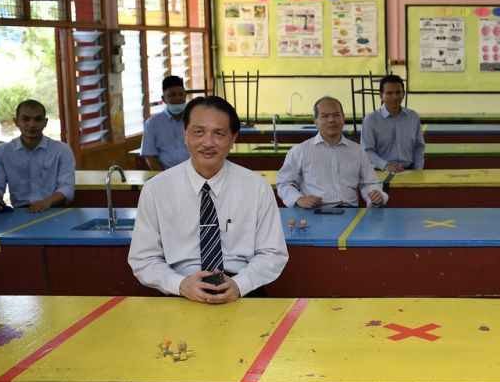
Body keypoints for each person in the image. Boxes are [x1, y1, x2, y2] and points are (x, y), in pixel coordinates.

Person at [128, 96, 288, 303]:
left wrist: (240, 284)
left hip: (243, 290)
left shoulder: (257, 187)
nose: (208, 142)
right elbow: (143, 259)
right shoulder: (156, 190)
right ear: (185, 135)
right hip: (179, 290)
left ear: (233, 139)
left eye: (219, 134)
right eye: (199, 132)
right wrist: (180, 284)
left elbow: (273, 253)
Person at [277, 96, 388, 208]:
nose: (331, 120)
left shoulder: (357, 150)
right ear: (315, 121)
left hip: (350, 213)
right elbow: (284, 183)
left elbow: (370, 182)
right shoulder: (300, 151)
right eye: (325, 116)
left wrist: (376, 195)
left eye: (336, 115)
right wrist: (299, 199)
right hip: (316, 213)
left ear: (343, 118)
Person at [0, 99, 75, 213]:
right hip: (19, 214)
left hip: (54, 210)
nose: (32, 124)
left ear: (45, 122)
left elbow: (67, 188)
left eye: (38, 119)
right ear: (16, 121)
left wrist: (47, 202)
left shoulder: (62, 150)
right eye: (25, 119)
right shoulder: (2, 152)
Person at [360, 74, 425, 173]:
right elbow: (366, 150)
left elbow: (419, 146)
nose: (395, 97)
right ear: (381, 96)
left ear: (403, 93)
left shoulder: (413, 117)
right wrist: (385, 165)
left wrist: (418, 169)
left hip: (409, 170)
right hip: (380, 171)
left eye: (398, 92)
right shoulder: (370, 120)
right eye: (389, 93)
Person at [140, 75, 190, 170]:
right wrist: (163, 178)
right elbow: (150, 156)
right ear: (163, 99)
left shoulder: (195, 119)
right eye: (172, 95)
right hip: (165, 174)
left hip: (195, 174)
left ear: (185, 95)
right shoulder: (152, 124)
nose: (177, 98)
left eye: (180, 94)